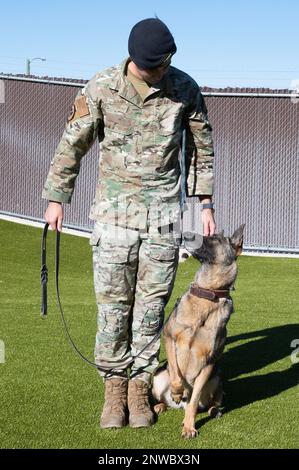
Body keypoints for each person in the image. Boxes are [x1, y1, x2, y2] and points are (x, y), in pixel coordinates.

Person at [42, 18, 216, 429]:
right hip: (113, 218)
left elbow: (201, 148)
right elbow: (72, 142)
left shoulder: (185, 89)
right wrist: (55, 198)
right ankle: (113, 388)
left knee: (151, 309)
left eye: (165, 64)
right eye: (153, 66)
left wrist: (203, 204)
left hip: (164, 220)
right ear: (134, 59)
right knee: (113, 308)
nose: (160, 73)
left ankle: (139, 388)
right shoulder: (102, 87)